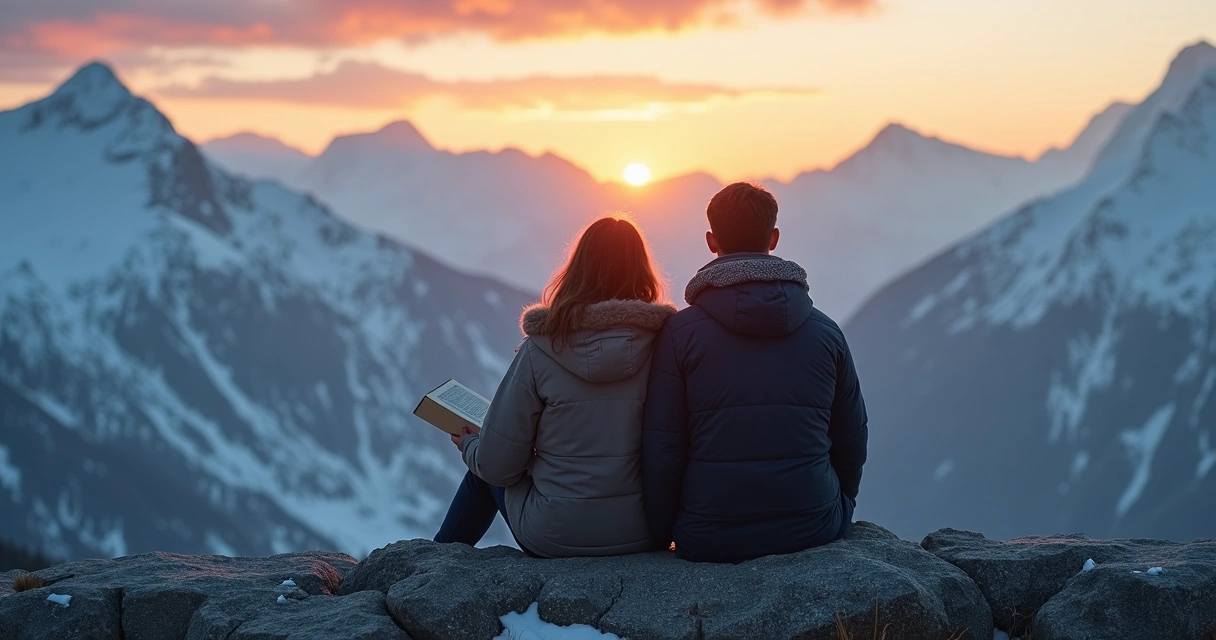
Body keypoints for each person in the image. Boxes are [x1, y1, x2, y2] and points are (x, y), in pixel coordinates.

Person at [641, 182, 868, 564]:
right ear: (774, 238)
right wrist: (834, 507)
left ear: (712, 241)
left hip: (708, 535)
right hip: (813, 527)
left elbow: (663, 447)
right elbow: (851, 436)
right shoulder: (826, 332)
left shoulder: (679, 334)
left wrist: (665, 533)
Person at [436, 216, 676, 558]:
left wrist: (470, 444)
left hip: (555, 535)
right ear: (642, 271)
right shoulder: (670, 344)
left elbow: (498, 466)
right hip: (647, 530)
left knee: (481, 472)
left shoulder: (540, 350)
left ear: (578, 270)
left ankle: (433, 565)